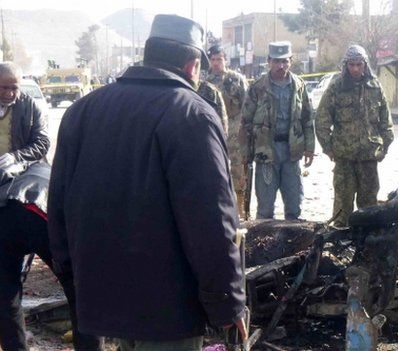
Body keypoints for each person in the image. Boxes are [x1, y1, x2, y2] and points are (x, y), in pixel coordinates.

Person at [48, 15, 246, 350]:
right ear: (193, 64)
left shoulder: (81, 112)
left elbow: (59, 209)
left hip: (105, 299)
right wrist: (228, 304)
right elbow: (212, 223)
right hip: (169, 313)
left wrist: (74, 282)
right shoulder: (191, 115)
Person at [0, 62, 102, 351]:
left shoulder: (29, 106)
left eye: (14, 87)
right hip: (18, 207)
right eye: (4, 87)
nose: (10, 93)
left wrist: (18, 158)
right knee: (8, 291)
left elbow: (42, 142)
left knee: (72, 284)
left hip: (35, 200)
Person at [315, 45, 394, 227]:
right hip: (344, 160)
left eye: (359, 64)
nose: (356, 69)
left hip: (368, 158)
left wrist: (384, 147)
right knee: (343, 208)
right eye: (352, 65)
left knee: (369, 208)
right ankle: (340, 248)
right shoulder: (336, 87)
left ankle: (366, 249)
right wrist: (328, 147)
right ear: (346, 65)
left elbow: (386, 123)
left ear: (365, 64)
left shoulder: (375, 87)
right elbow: (321, 120)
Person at [241, 41, 315, 220]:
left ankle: (293, 246)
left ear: (291, 61)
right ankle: (264, 246)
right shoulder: (258, 87)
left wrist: (310, 147)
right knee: (265, 208)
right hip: (266, 151)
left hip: (291, 151)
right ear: (268, 61)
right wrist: (245, 154)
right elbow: (246, 122)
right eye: (276, 61)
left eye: (284, 61)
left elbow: (307, 118)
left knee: (294, 205)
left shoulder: (299, 85)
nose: (280, 66)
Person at [204, 45, 249, 218]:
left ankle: (240, 212)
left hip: (235, 135)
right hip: (213, 133)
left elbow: (247, 106)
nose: (216, 63)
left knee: (238, 174)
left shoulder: (236, 80)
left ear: (225, 60)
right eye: (213, 60)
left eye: (219, 59)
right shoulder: (205, 83)